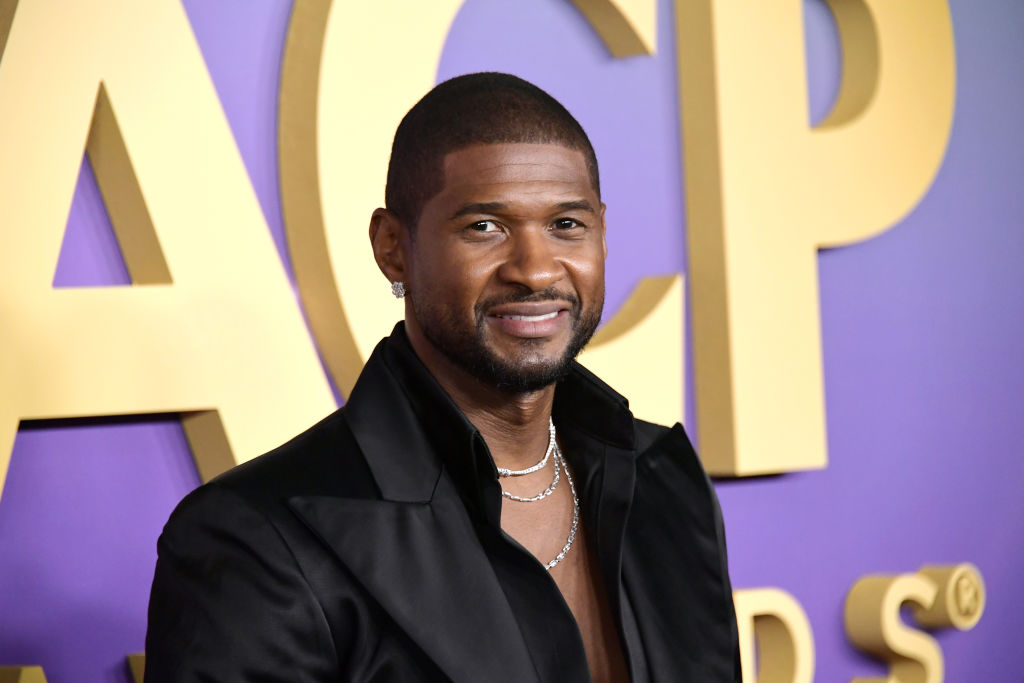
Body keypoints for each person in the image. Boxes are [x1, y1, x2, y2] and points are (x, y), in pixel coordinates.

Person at [145, 72, 740, 682]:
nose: (536, 271)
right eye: (485, 226)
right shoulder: (256, 539)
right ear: (392, 247)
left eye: (566, 224)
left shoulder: (664, 482)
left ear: (602, 233)